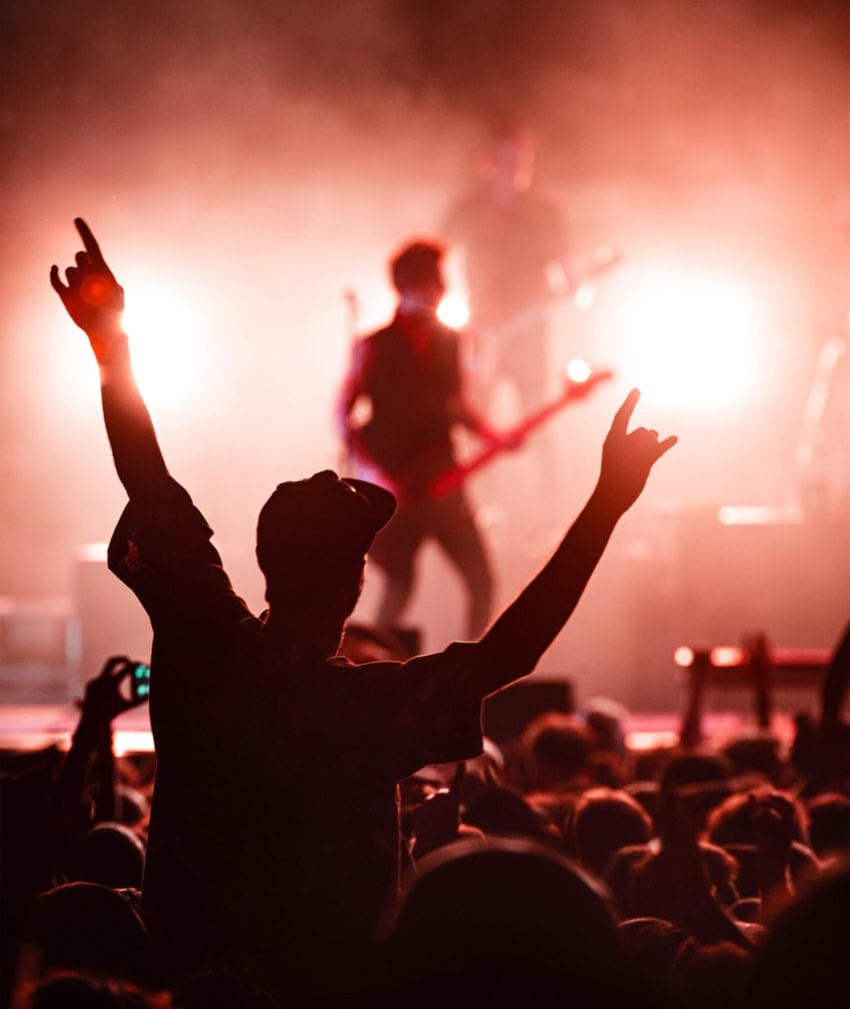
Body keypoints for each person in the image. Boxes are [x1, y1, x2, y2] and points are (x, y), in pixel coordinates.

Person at [50, 218, 675, 1000]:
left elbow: (147, 476)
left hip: (185, 979)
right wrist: (606, 507)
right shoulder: (362, 709)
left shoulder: (202, 636)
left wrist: (110, 346)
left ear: (270, 562)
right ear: (353, 580)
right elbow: (512, 650)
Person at [336, 238, 503, 640]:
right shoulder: (375, 346)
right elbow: (345, 414)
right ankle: (367, 670)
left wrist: (494, 436)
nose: (441, 289)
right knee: (399, 585)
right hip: (398, 488)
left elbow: (459, 406)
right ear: (412, 285)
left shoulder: (451, 341)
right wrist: (376, 475)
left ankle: (470, 674)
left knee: (482, 582)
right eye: (434, 280)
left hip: (444, 482)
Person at [442, 124, 568, 417]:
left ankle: (547, 465)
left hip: (530, 330)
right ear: (486, 163)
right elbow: (438, 258)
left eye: (522, 161)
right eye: (507, 159)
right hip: (480, 330)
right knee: (474, 415)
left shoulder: (545, 213)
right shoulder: (467, 211)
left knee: (536, 418)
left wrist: (572, 286)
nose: (516, 168)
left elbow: (567, 271)